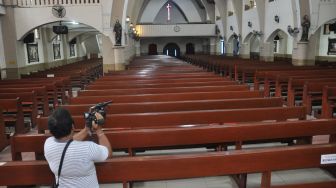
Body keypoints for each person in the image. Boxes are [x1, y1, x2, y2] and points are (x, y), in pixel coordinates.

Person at [44, 108, 112, 188]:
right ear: (72, 127)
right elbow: (108, 153)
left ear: (51, 130)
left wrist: (86, 129)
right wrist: (99, 130)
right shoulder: (88, 148)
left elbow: (67, 142)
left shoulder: (48, 144)